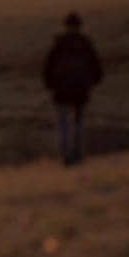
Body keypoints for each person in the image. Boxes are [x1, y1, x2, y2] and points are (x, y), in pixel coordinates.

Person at [42, 12, 104, 165]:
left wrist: (50, 85)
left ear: (66, 26)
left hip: (61, 91)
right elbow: (97, 68)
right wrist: (92, 82)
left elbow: (48, 68)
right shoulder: (85, 44)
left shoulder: (59, 45)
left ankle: (66, 156)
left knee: (64, 125)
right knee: (78, 125)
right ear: (79, 26)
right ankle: (77, 154)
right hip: (81, 91)